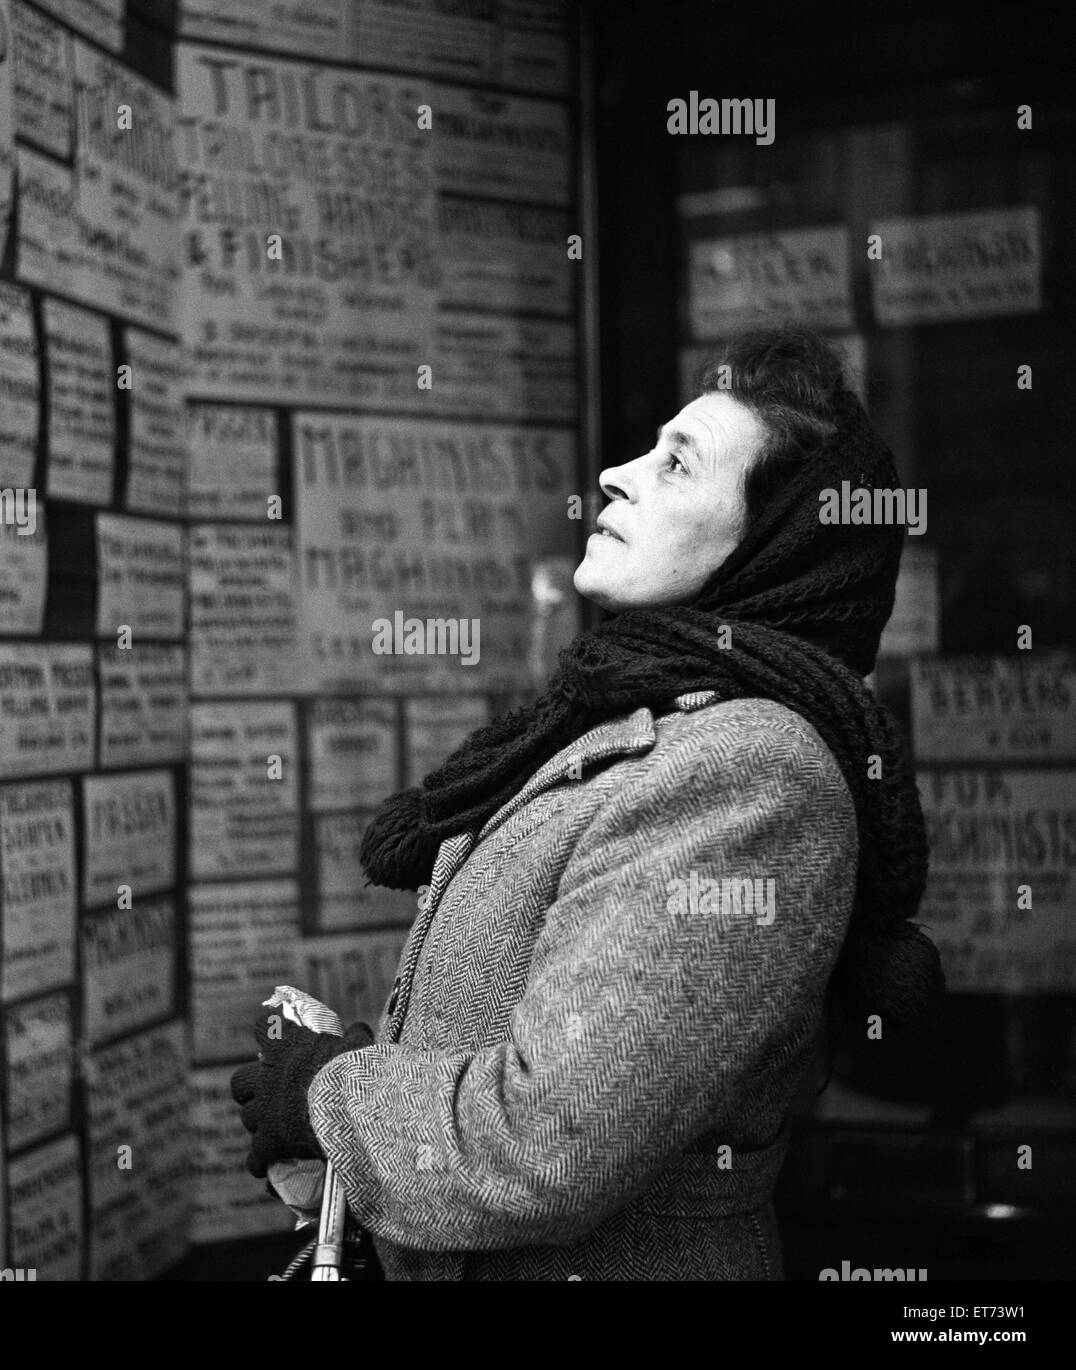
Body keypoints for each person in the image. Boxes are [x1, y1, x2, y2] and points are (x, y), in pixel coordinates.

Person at [230, 325, 943, 1280]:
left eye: (677, 466)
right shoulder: (636, 719)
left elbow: (551, 1142)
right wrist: (374, 1098)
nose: (614, 473)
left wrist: (332, 1099)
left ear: (773, 547)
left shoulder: (750, 774)